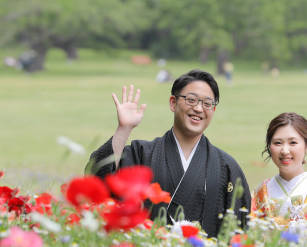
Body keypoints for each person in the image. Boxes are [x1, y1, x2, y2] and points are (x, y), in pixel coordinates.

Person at [86, 69, 251, 237]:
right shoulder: (142, 154)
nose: (198, 108)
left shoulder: (225, 166)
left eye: (207, 103)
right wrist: (124, 129)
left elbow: (240, 228)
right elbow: (97, 180)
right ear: (173, 103)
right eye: (191, 100)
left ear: (213, 110)